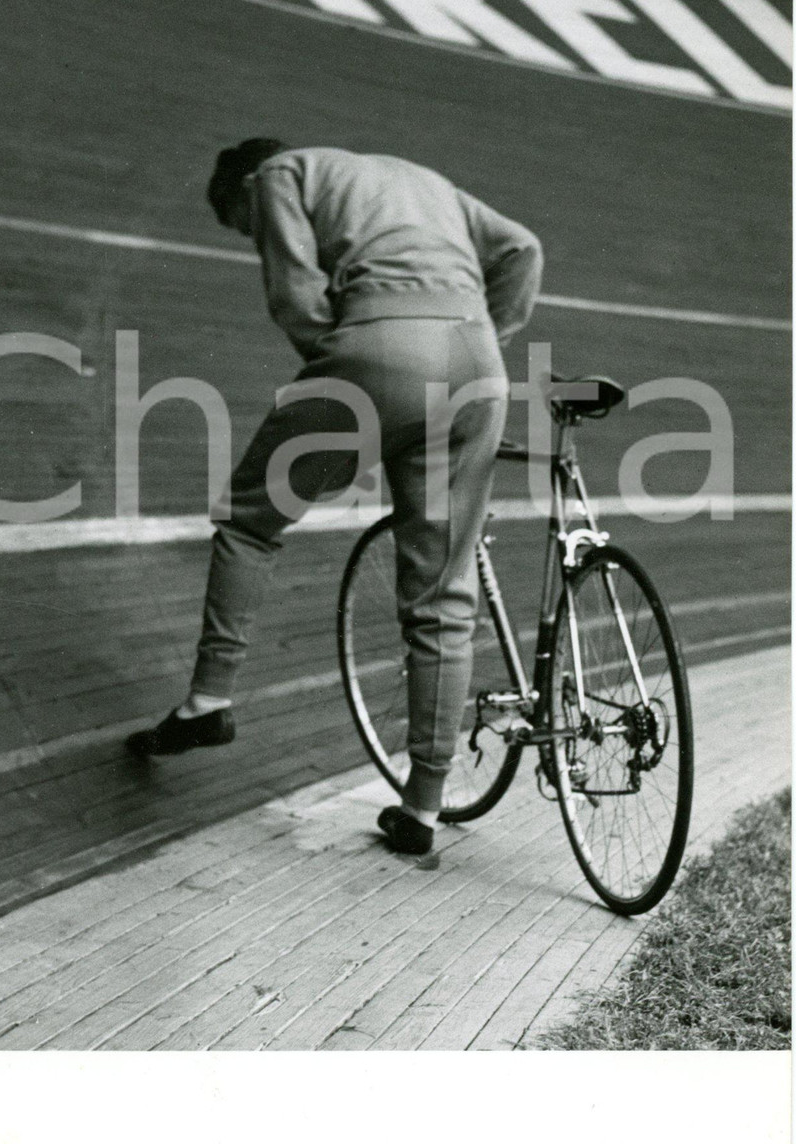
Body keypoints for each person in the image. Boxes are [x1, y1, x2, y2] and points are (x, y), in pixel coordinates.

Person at [127, 140, 543, 854]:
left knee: (250, 520)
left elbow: (294, 294)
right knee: (444, 595)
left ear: (245, 186)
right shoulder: (424, 177)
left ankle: (209, 697)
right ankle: (424, 805)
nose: (252, 235)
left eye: (243, 225)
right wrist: (482, 339)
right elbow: (523, 250)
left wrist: (350, 356)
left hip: (378, 350)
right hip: (477, 366)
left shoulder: (280, 174)